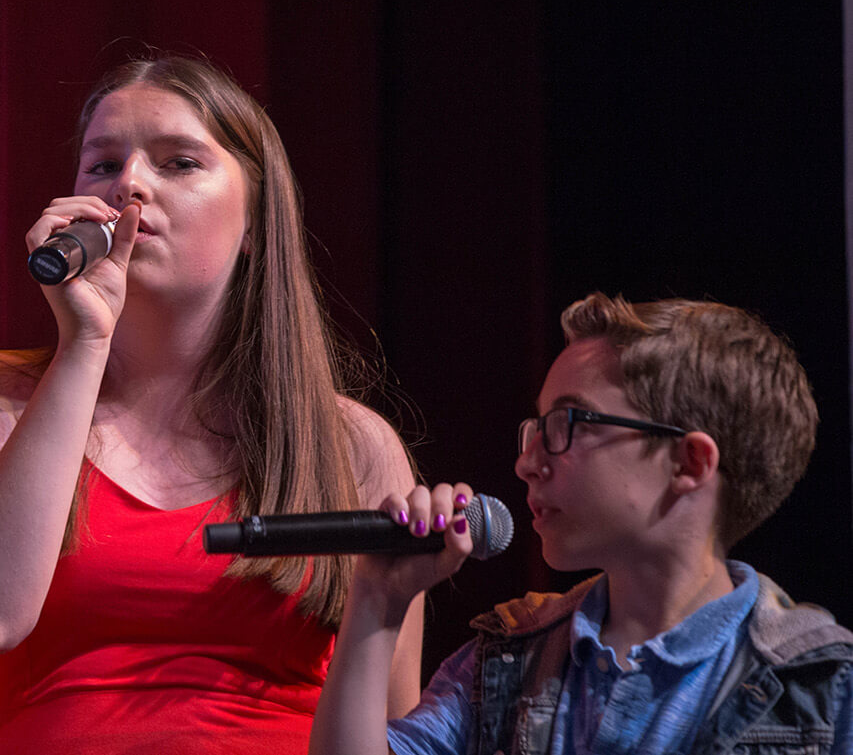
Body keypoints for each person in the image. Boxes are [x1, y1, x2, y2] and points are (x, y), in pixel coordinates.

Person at [0, 54, 423, 753]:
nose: (129, 185)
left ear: (255, 220)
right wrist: (83, 345)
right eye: (101, 164)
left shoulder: (350, 444)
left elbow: (395, 729)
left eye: (178, 162)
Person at [310, 292, 853, 755]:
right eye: (535, 428)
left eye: (566, 424)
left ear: (689, 463)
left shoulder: (821, 682)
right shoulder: (510, 657)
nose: (528, 462)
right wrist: (377, 601)